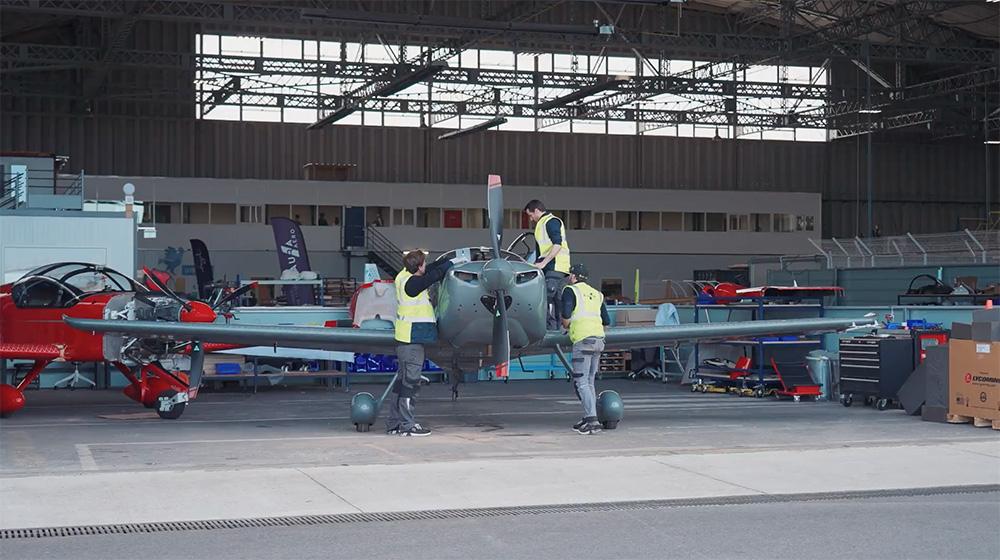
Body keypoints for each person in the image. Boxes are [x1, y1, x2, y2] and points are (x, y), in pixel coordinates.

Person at [387, 249, 466, 436]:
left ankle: (394, 424)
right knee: (411, 383)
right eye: (423, 263)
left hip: (405, 337)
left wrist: (448, 260)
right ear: (418, 267)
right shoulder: (413, 285)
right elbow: (433, 276)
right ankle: (407, 426)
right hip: (412, 338)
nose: (425, 265)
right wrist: (451, 265)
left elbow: (429, 269)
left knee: (402, 382)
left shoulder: (404, 274)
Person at [561, 263, 610, 435]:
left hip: (582, 341)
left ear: (573, 277)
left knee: (581, 382)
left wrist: (567, 327)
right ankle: (590, 416)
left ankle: (592, 421)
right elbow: (607, 322)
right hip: (599, 340)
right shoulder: (597, 294)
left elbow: (566, 317)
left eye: (570, 275)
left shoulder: (570, 290)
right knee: (589, 381)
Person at [524, 199, 571, 330]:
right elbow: (543, 250)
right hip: (555, 269)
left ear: (537, 210)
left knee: (548, 302)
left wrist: (543, 263)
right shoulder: (543, 224)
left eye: (530, 215)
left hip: (555, 268)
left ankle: (551, 333)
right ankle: (557, 332)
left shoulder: (550, 222)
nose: (531, 219)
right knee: (556, 303)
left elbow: (557, 244)